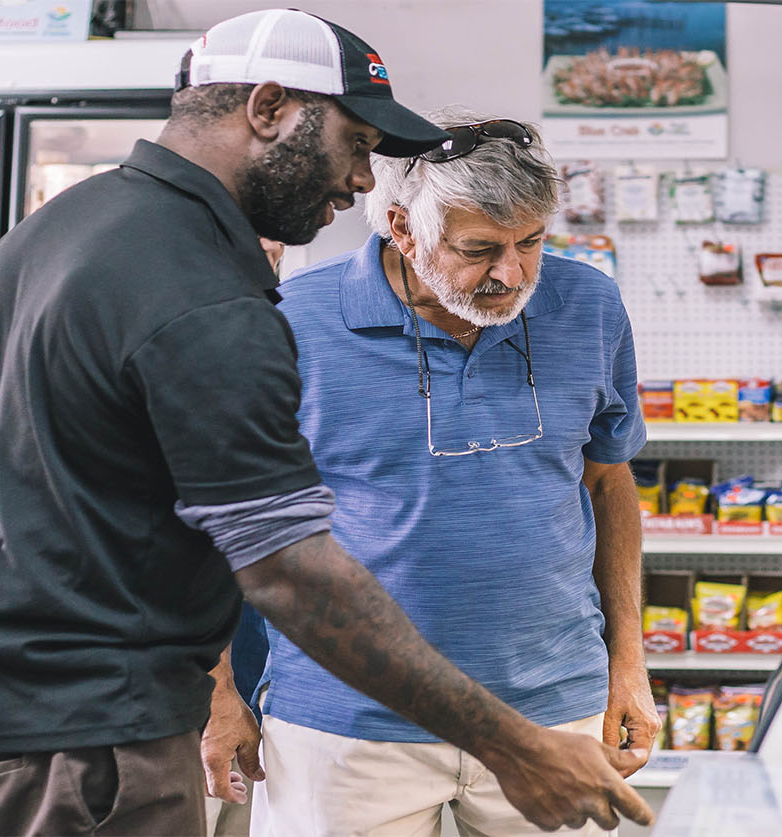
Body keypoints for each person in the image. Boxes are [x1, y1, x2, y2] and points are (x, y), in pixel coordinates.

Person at [0, 9, 652, 837]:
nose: (364, 180)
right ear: (268, 109)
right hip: (76, 735)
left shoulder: (73, 226)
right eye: (357, 144)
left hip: (34, 710)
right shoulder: (210, 295)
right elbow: (286, 569)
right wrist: (509, 743)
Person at [199, 107, 658, 836]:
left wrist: (628, 662)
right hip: (345, 722)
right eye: (480, 249)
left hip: (553, 708)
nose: (512, 274)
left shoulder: (589, 306)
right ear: (400, 227)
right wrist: (220, 693)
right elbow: (224, 517)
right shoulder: (288, 321)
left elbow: (609, 482)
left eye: (532, 242)